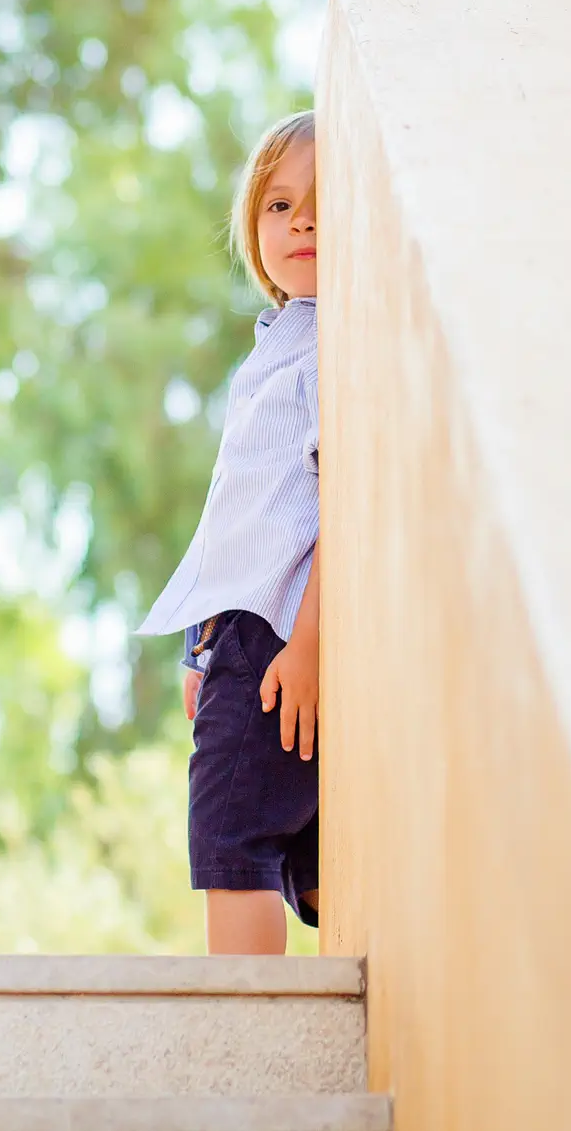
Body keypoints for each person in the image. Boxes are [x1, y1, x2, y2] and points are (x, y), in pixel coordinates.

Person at [137, 110, 320, 955]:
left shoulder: (332, 346)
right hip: (240, 637)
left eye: (324, 204)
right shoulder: (276, 346)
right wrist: (199, 646)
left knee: (231, 843)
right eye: (280, 205)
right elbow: (239, 518)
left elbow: (338, 503)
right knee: (299, 853)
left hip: (278, 637)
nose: (302, 222)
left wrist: (309, 644)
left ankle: (247, 1023)